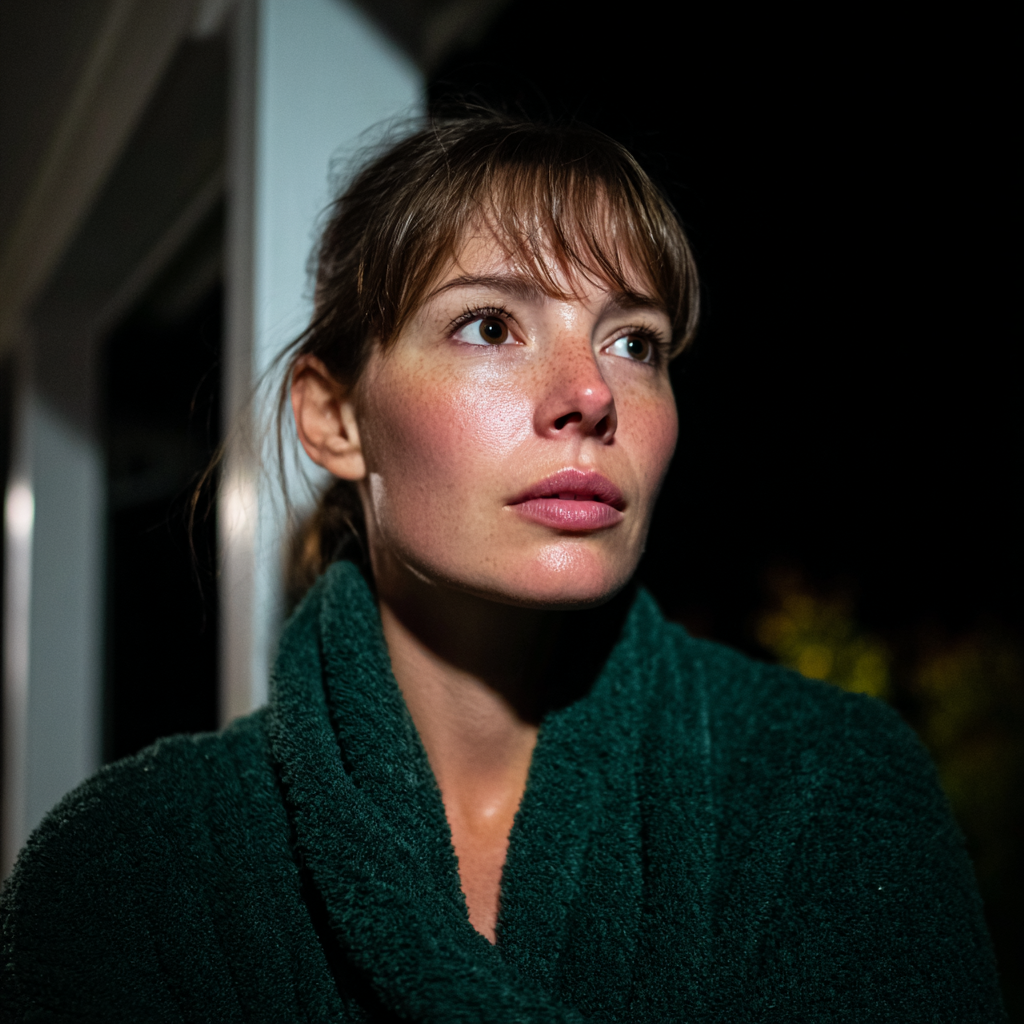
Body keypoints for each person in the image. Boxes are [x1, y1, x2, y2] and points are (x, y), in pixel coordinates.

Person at [0, 115, 1005, 1022]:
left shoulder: (833, 793)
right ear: (336, 417)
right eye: (490, 324)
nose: (589, 393)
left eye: (634, 341)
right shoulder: (127, 872)